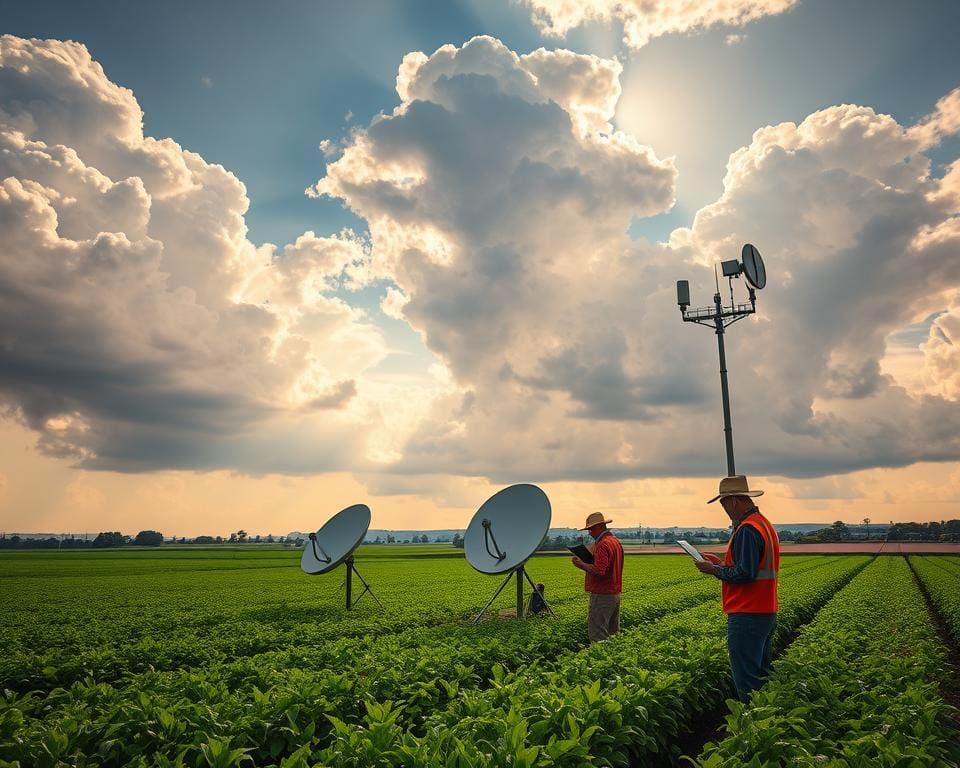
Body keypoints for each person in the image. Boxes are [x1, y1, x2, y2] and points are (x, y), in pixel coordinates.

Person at [694, 475, 780, 703]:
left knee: (748, 682)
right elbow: (749, 567)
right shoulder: (764, 524)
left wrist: (714, 570)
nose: (724, 508)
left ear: (734, 501)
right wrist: (720, 564)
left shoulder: (747, 530)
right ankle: (767, 720)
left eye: (723, 503)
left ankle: (753, 730)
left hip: (747, 613)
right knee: (761, 675)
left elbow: (744, 574)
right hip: (765, 610)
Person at [572, 512, 624, 642]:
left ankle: (601, 661)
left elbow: (599, 571)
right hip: (614, 594)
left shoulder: (602, 544)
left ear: (600, 526)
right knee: (613, 634)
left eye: (591, 529)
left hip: (602, 595)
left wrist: (581, 564)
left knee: (598, 634)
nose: (589, 533)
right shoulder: (615, 542)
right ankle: (614, 660)